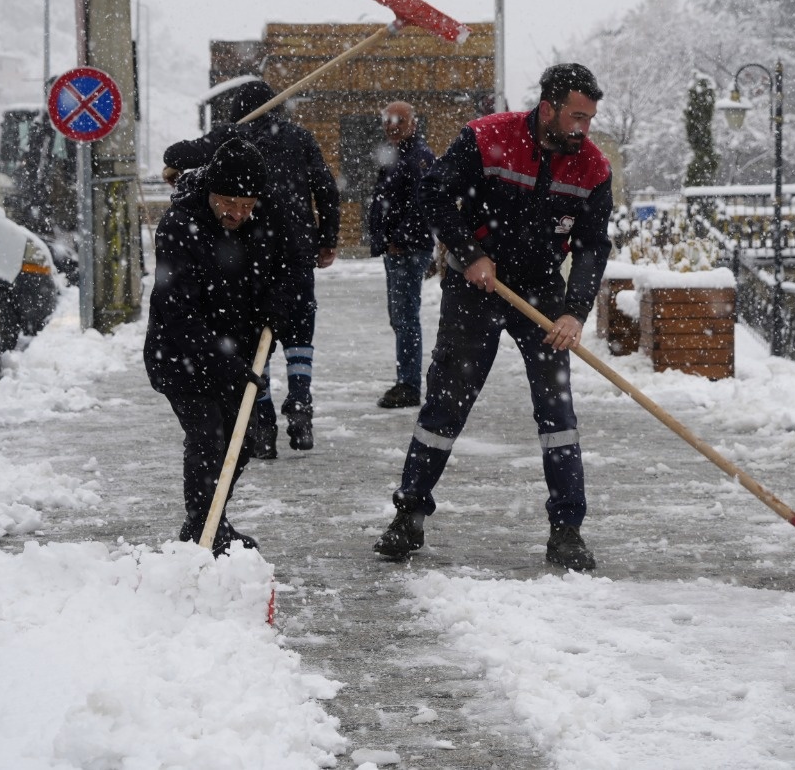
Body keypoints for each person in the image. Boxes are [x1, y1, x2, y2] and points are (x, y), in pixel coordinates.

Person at [373, 63, 613, 571]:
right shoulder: (487, 138)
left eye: (589, 118)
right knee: (446, 401)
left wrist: (574, 312)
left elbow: (592, 246)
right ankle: (409, 514)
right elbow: (434, 193)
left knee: (557, 412)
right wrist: (469, 253)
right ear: (547, 109)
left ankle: (567, 529)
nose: (583, 129)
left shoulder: (592, 168)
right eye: (576, 117)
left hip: (542, 293)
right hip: (476, 286)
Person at [164, 79, 339, 453]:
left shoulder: (230, 141)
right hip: (297, 249)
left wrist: (216, 138)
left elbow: (176, 153)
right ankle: (300, 401)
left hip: (251, 253)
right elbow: (326, 187)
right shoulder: (299, 138)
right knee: (299, 328)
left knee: (255, 334)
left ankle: (262, 424)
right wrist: (328, 237)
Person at [145, 138, 290, 553]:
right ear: (211, 191)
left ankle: (206, 523)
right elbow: (177, 310)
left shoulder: (259, 220)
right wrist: (224, 360)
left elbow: (281, 270)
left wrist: (276, 305)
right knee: (208, 438)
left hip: (234, 352)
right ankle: (204, 531)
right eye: (228, 202)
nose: (237, 213)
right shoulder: (178, 226)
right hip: (180, 355)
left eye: (246, 205)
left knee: (242, 440)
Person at [367, 101, 437, 409]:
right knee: (399, 317)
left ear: (414, 123)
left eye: (400, 120)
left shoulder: (418, 157)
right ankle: (406, 380)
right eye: (387, 120)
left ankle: (409, 385)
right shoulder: (396, 156)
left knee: (406, 318)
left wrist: (400, 238)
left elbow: (423, 203)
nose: (392, 126)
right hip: (396, 249)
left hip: (408, 249)